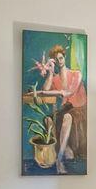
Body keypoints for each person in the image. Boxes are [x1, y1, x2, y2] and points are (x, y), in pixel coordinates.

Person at [32, 44, 87, 172]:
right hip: (65, 108)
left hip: (78, 109)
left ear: (64, 58)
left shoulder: (76, 74)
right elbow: (45, 89)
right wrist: (50, 73)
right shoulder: (56, 78)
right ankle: (62, 149)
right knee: (48, 120)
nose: (59, 61)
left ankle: (60, 159)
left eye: (61, 58)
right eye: (56, 60)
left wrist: (45, 93)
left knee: (67, 116)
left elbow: (68, 92)